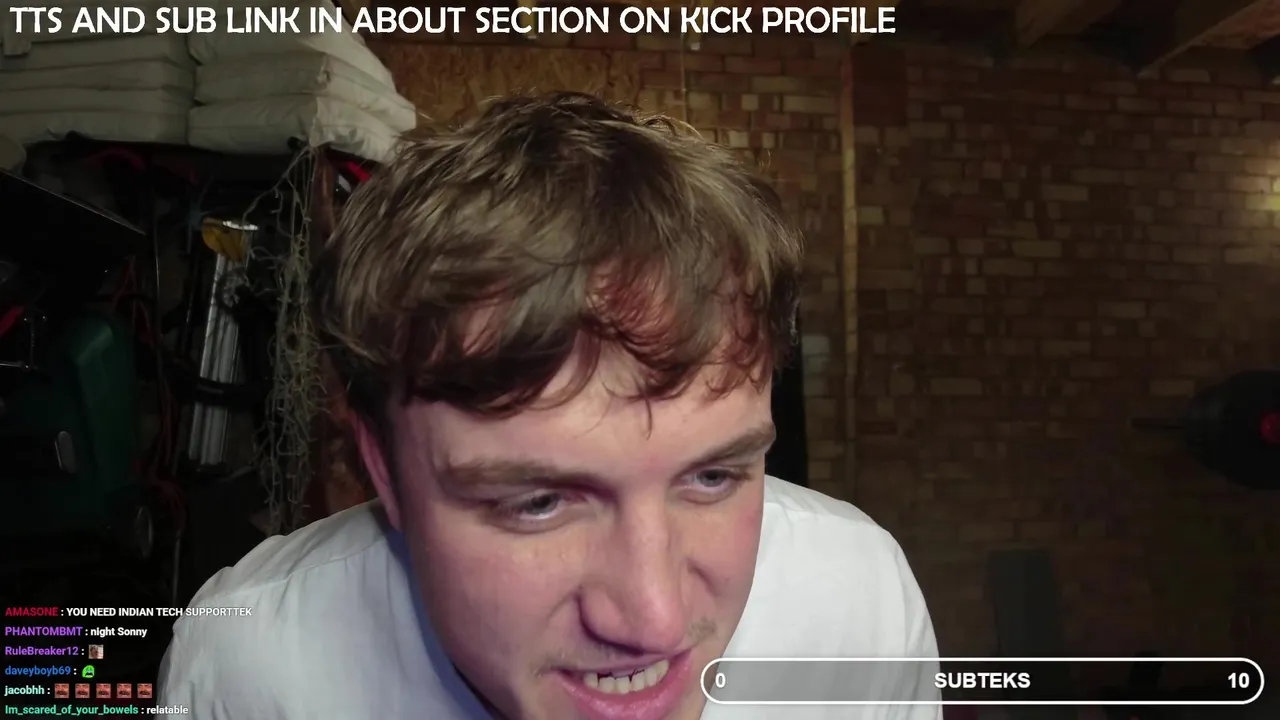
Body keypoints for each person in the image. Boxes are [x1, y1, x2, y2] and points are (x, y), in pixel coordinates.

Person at [157, 92, 940, 719]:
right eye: (537, 502)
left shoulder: (857, 602)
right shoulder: (252, 665)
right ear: (383, 469)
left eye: (712, 477)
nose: (655, 621)